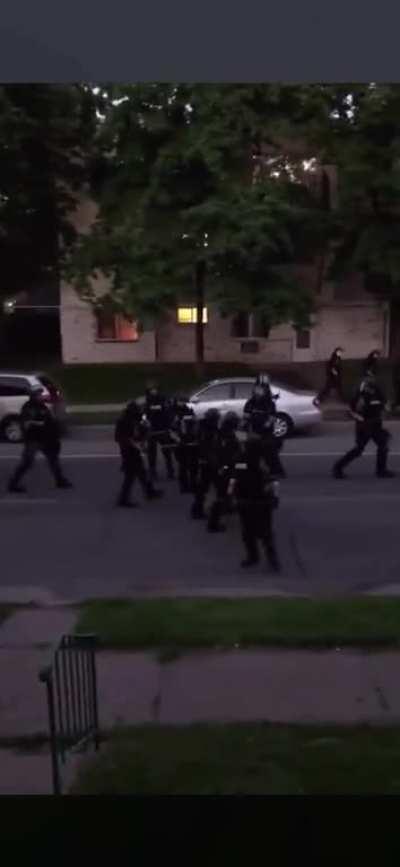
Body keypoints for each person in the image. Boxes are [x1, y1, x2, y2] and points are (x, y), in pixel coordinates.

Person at [227, 437, 281, 571]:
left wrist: (231, 496)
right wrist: (275, 497)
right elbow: (274, 481)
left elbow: (233, 479)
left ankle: (256, 557)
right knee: (263, 532)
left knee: (250, 531)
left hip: (249, 500)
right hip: (257, 500)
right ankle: (268, 558)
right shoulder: (263, 460)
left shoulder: (243, 460)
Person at [332, 369, 395, 480]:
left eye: (371, 377)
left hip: (375, 423)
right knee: (359, 449)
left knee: (383, 446)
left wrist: (387, 408)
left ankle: (381, 470)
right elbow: (351, 410)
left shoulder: (377, 390)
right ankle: (337, 468)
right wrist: (359, 419)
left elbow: (384, 404)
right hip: (364, 426)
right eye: (368, 377)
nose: (370, 379)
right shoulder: (361, 393)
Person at [8, 386, 73, 493]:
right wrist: (37, 423)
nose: (41, 395)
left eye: (40, 394)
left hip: (45, 439)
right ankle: (13, 484)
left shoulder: (41, 406)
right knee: (27, 462)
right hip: (33, 440)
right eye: (38, 394)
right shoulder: (28, 408)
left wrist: (54, 433)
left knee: (53, 460)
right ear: (33, 396)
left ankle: (60, 481)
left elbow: (48, 421)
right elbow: (26, 424)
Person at [114, 401, 163, 507]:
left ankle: (149, 492)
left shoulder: (135, 419)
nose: (140, 413)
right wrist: (139, 446)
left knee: (141, 472)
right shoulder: (124, 421)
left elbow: (141, 433)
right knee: (130, 476)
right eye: (138, 410)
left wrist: (146, 429)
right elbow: (123, 438)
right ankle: (123, 499)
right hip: (128, 451)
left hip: (133, 450)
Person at [243, 378, 286, 478]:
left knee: (268, 448)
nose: (257, 392)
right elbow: (245, 419)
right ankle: (249, 471)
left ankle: (277, 472)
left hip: (267, 434)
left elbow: (270, 421)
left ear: (265, 391)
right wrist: (245, 431)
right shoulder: (250, 403)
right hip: (253, 433)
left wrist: (260, 433)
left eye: (260, 389)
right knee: (247, 452)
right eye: (256, 389)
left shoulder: (270, 404)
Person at [207, 411, 241, 533]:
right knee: (222, 495)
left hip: (225, 468)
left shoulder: (226, 433)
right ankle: (213, 524)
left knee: (230, 489)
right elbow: (225, 454)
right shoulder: (225, 436)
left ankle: (229, 506)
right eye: (236, 422)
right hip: (223, 469)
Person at [191, 408, 221, 520]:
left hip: (205, 461)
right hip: (208, 462)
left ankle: (197, 509)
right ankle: (199, 511)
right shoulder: (208, 430)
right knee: (209, 486)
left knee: (204, 487)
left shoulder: (204, 427)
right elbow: (208, 447)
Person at [143, 383, 175, 481]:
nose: (153, 391)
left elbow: (168, 412)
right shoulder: (147, 400)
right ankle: (152, 472)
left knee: (167, 451)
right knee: (151, 453)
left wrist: (168, 426)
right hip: (152, 430)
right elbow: (145, 414)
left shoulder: (163, 399)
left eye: (155, 389)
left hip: (163, 429)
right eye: (151, 389)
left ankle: (170, 472)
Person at [170, 396, 198, 494]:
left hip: (190, 440)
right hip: (180, 442)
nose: (181, 403)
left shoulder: (189, 411)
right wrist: (177, 440)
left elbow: (194, 424)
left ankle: (193, 485)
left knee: (193, 465)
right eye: (180, 401)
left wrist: (195, 438)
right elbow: (171, 429)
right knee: (183, 466)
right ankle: (184, 486)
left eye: (183, 401)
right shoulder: (173, 413)